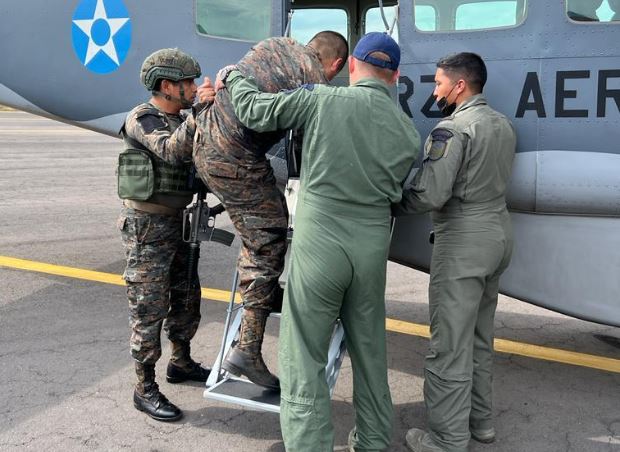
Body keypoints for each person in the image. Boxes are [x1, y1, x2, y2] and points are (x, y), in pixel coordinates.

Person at [219, 32, 421, 451]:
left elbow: (256, 112)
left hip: (321, 245)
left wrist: (234, 76)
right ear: (395, 75)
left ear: (352, 67)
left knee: (303, 355)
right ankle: (372, 442)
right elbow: (399, 194)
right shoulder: (407, 132)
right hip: (370, 251)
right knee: (370, 352)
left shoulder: (322, 99)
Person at [193, 31, 348, 391]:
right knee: (269, 239)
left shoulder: (274, 44)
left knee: (267, 221)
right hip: (236, 160)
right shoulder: (314, 82)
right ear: (336, 64)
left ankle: (258, 298)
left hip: (206, 143)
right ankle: (247, 348)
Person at [392, 53, 516, 452]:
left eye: (439, 83)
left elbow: (431, 192)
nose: (435, 90)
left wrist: (389, 200)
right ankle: (481, 424)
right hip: (498, 236)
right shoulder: (502, 125)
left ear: (460, 86)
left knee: (449, 344)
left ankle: (446, 439)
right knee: (480, 337)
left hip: (463, 241)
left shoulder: (452, 130)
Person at [117, 48, 215, 422]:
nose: (193, 87)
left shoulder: (183, 118)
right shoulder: (143, 118)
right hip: (147, 228)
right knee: (149, 306)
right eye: (187, 81)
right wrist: (200, 114)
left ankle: (181, 361)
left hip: (179, 223)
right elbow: (170, 151)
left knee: (187, 294)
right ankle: (144, 388)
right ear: (166, 85)